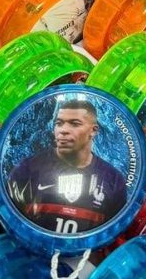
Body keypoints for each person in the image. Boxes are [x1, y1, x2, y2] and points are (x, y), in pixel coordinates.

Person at [7, 99, 127, 234]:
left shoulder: (114, 180)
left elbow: (114, 236)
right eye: (59, 123)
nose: (63, 130)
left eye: (74, 124)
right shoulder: (26, 170)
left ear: (93, 130)